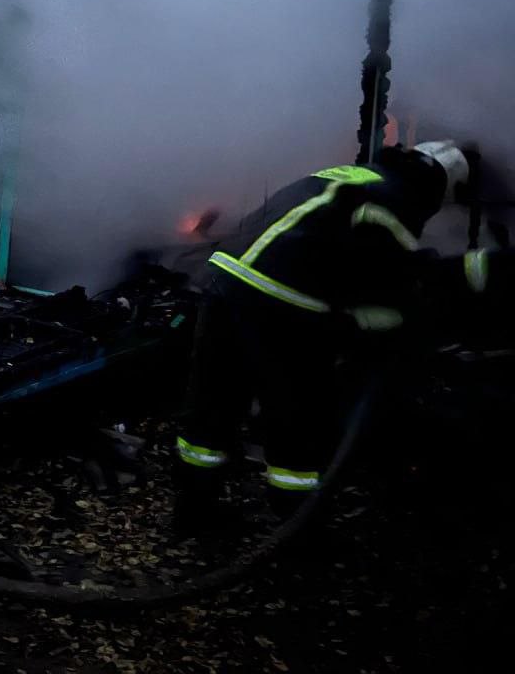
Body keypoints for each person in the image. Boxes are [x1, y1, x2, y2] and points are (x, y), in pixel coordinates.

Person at [174, 140, 471, 525]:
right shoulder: (396, 202)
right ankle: (295, 520)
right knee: (296, 415)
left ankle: (193, 508)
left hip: (226, 281)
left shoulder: (353, 175)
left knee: (215, 400)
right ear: (437, 186)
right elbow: (389, 283)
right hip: (283, 302)